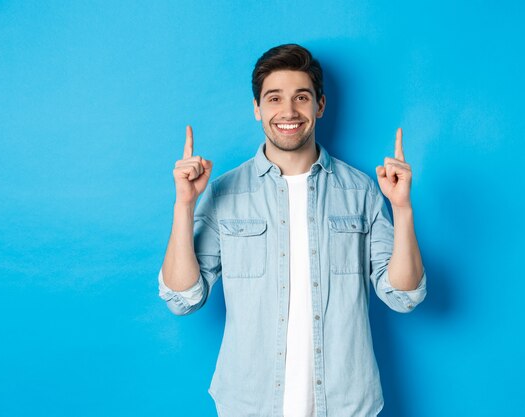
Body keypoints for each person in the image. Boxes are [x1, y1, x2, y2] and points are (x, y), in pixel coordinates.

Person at [158, 43, 427, 417]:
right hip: (249, 404)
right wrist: (184, 205)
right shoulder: (224, 193)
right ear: (257, 108)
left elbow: (403, 296)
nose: (288, 111)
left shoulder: (361, 190)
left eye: (301, 97)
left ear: (320, 105)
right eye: (274, 98)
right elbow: (181, 297)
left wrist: (402, 209)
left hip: (347, 405)